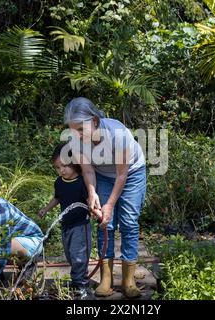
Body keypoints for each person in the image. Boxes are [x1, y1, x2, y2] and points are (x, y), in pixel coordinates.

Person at [64, 97, 147, 298]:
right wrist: (92, 194)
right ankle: (106, 279)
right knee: (104, 223)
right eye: (72, 129)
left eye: (80, 129)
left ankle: (129, 280)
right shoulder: (75, 141)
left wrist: (110, 204)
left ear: (94, 121)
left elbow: (122, 175)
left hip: (131, 173)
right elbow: (88, 171)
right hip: (101, 174)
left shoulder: (117, 134)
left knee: (128, 222)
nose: (76, 134)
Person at [38, 143, 93, 299]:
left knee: (78, 256)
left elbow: (89, 198)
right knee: (70, 255)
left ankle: (81, 284)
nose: (61, 170)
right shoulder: (59, 182)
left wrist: (94, 208)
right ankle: (79, 280)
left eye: (65, 166)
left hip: (81, 225)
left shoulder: (82, 181)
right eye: (57, 167)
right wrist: (45, 209)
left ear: (74, 163)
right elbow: (57, 198)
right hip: (66, 225)